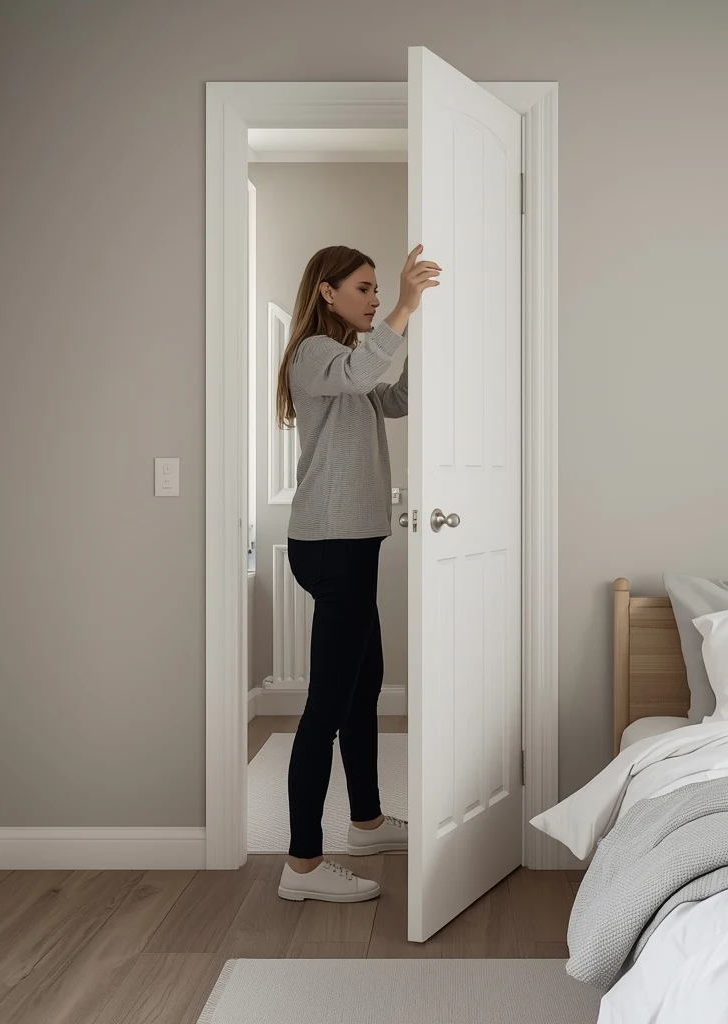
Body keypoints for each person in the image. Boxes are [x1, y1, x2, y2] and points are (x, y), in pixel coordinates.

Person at [274, 244, 440, 903]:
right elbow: (364, 370)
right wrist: (404, 306)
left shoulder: (349, 365)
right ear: (327, 292)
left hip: (352, 543)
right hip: (331, 545)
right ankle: (303, 867)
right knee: (326, 704)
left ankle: (367, 821)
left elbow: (393, 396)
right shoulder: (315, 354)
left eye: (379, 290)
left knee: (362, 684)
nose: (375, 299)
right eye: (365, 288)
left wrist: (434, 332)